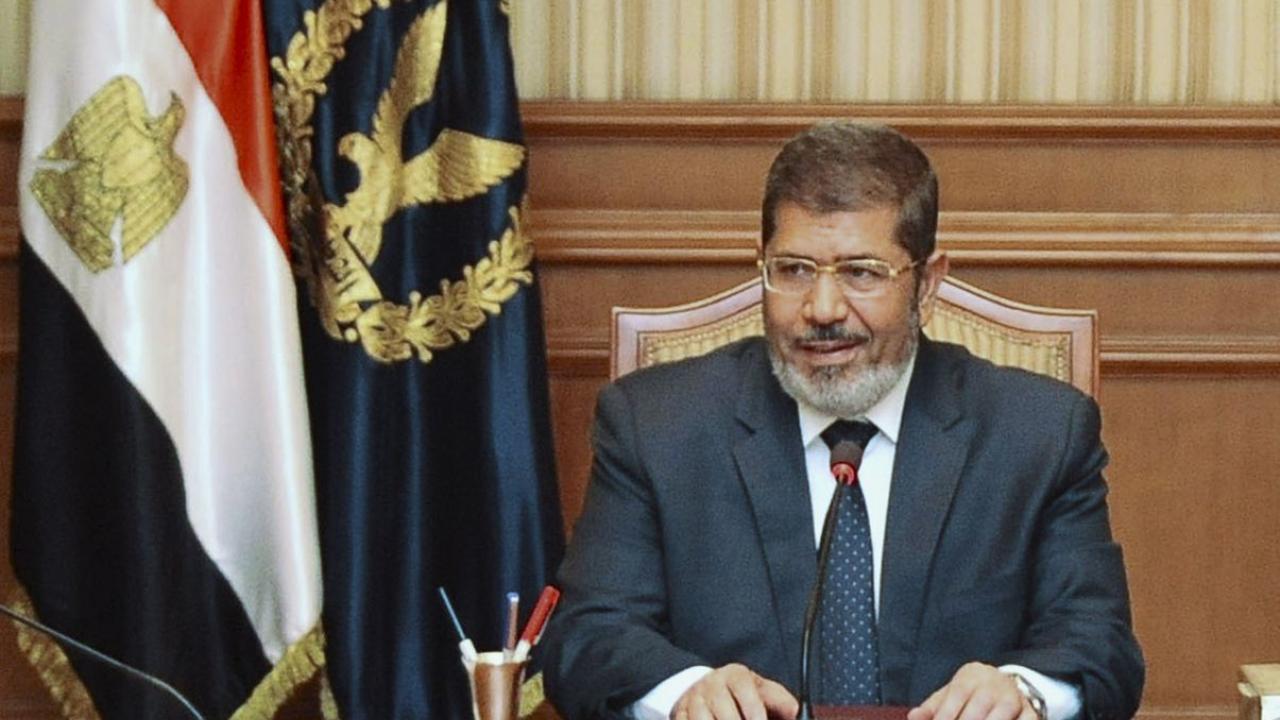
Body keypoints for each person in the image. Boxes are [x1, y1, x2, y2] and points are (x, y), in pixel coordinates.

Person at [540, 121, 1144, 720]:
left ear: (927, 284)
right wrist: (685, 692)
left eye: (862, 272)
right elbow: (588, 635)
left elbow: (1100, 646)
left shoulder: (1040, 433)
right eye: (794, 270)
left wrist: (1024, 692)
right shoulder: (656, 424)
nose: (822, 309)